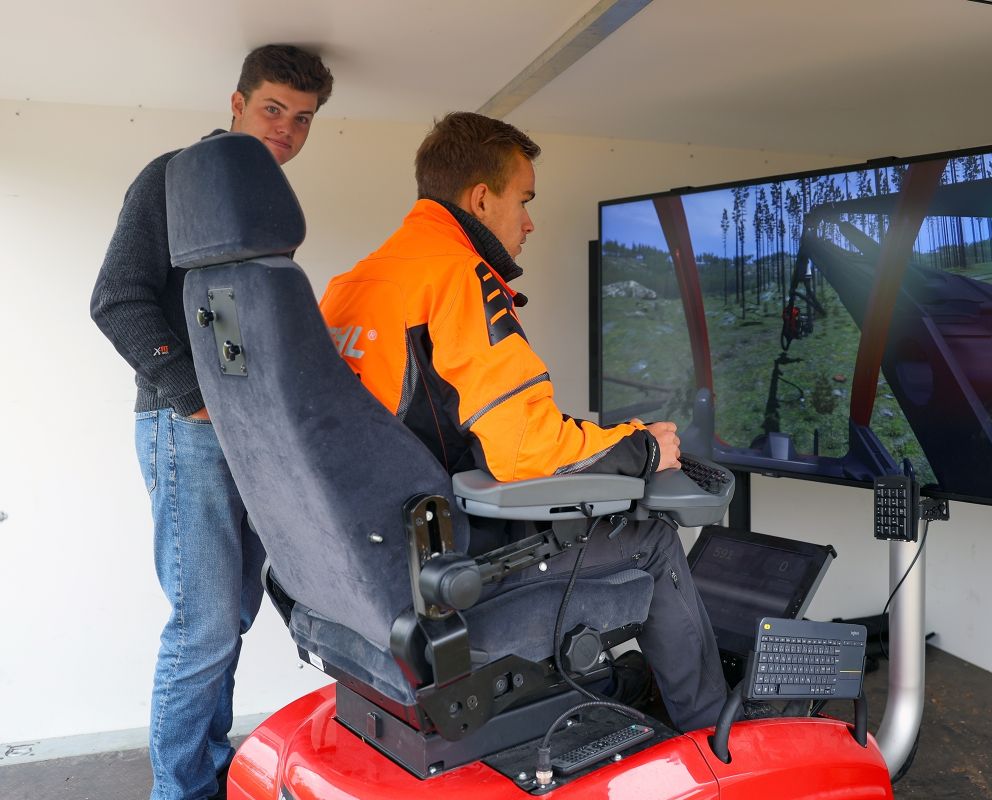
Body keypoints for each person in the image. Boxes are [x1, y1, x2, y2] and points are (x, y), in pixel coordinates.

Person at [318, 112, 727, 731]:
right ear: (482, 199)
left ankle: (620, 691)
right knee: (651, 538)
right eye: (525, 199)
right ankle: (717, 740)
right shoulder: (458, 276)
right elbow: (524, 450)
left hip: (368, 557)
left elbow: (447, 421)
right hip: (445, 567)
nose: (530, 222)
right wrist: (642, 449)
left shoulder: (355, 281)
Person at [90, 45, 334, 800]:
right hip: (188, 431)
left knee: (231, 616)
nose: (286, 130)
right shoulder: (173, 178)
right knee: (203, 624)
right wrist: (194, 397)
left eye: (303, 119)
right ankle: (179, 789)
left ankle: (207, 769)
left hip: (252, 436)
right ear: (236, 104)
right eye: (272, 109)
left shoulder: (261, 204)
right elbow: (117, 298)